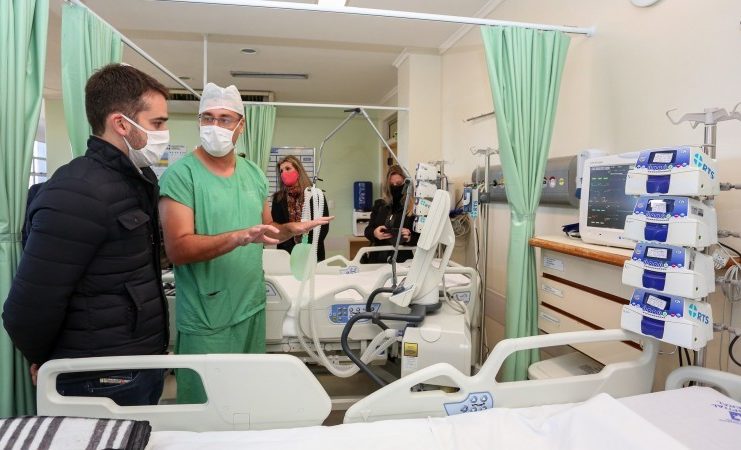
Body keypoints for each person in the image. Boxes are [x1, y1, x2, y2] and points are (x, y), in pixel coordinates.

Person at [3, 64, 171, 406]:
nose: (164, 134)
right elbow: (28, 308)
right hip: (99, 374)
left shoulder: (134, 181)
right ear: (121, 124)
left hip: (137, 361)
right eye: (157, 123)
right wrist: (49, 360)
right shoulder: (76, 192)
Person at [158, 83, 332, 404]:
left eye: (225, 119)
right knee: (206, 410)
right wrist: (238, 237)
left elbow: (267, 230)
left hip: (250, 308)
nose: (215, 126)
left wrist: (290, 230)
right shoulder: (181, 176)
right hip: (207, 316)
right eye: (208, 118)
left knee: (246, 403)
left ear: (241, 126)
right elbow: (178, 249)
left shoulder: (253, 174)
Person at [271, 155, 330, 261]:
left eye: (288, 168)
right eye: (281, 171)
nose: (284, 173)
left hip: (313, 252)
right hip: (287, 254)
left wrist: (306, 249)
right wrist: (294, 251)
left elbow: (322, 228)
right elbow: (277, 228)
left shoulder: (315, 195)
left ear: (298, 171)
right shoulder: (278, 198)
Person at [362, 164, 419, 264]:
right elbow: (368, 231)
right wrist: (375, 233)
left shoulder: (415, 208)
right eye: (392, 185)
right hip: (377, 259)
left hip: (402, 260)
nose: (395, 187)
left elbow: (422, 238)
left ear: (406, 185)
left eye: (399, 183)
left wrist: (409, 238)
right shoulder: (380, 205)